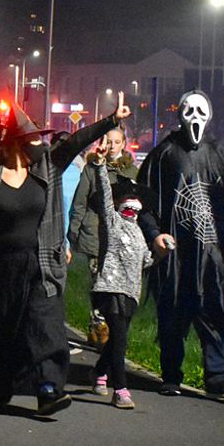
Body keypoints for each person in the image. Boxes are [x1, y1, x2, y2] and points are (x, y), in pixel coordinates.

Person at [0, 97, 131, 415]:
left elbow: (77, 140)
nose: (42, 144)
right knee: (1, 331)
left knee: (45, 326)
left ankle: (48, 389)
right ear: (17, 144)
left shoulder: (48, 168)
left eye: (42, 139)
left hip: (40, 264)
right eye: (35, 139)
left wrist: (110, 120)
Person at [137, 89, 224, 400]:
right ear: (179, 114)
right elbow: (144, 201)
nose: (194, 117)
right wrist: (154, 234)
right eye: (188, 110)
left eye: (200, 110)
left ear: (209, 115)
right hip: (176, 256)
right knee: (173, 312)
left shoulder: (222, 154)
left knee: (214, 310)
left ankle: (217, 376)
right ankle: (170, 374)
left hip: (214, 255)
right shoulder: (162, 155)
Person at [88, 164, 154, 409]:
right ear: (118, 201)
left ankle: (99, 371)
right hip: (110, 288)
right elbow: (105, 197)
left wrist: (162, 251)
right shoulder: (111, 221)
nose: (133, 202)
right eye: (128, 197)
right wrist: (100, 168)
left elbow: (146, 260)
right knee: (120, 338)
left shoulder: (138, 232)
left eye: (136, 199)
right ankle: (121, 389)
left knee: (117, 338)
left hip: (130, 292)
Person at [68, 126, 139, 341]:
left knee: (119, 287)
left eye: (116, 142)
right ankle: (98, 325)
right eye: (108, 142)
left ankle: (115, 328)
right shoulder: (91, 168)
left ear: (124, 144)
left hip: (122, 238)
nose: (112, 146)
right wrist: (73, 232)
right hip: (96, 236)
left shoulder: (131, 172)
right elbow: (80, 202)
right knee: (100, 282)